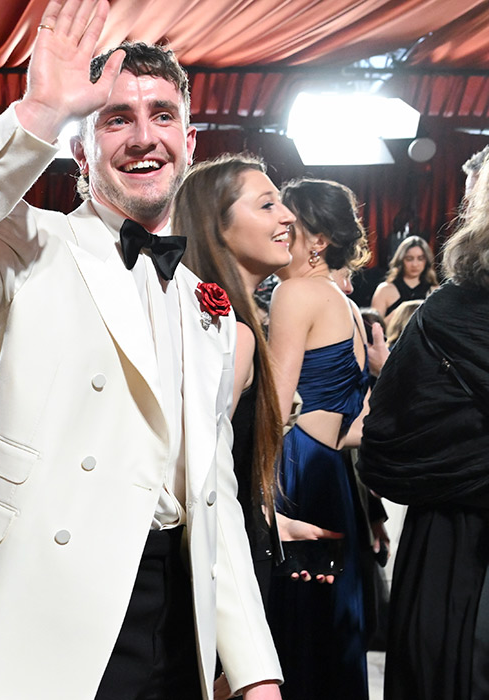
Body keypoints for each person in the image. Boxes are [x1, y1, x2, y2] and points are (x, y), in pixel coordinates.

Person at [0, 1, 282, 697]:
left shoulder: (205, 307)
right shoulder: (31, 245)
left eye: (161, 115)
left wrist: (253, 669)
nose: (143, 136)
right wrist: (37, 115)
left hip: (175, 619)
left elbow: (216, 499)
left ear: (189, 139)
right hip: (43, 608)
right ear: (82, 152)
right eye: (117, 118)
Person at [359, 166, 489, 700]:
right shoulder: (444, 312)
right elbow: (389, 445)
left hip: (451, 545)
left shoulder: (444, 312)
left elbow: (389, 442)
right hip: (455, 546)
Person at [266, 177, 373, 700]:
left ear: (318, 240)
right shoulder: (344, 303)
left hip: (294, 472)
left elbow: (274, 403)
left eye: (290, 220)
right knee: (326, 628)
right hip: (331, 472)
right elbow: (355, 419)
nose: (279, 226)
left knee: (288, 635)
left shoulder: (297, 292)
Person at [177, 154, 294, 607]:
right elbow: (201, 474)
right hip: (223, 560)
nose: (286, 216)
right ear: (216, 225)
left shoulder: (227, 322)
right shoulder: (232, 334)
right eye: (267, 205)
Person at [370, 235, 437, 318]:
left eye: (420, 258)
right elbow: (374, 326)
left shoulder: (435, 291)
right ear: (401, 260)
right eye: (409, 259)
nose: (415, 264)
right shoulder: (385, 290)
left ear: (427, 261)